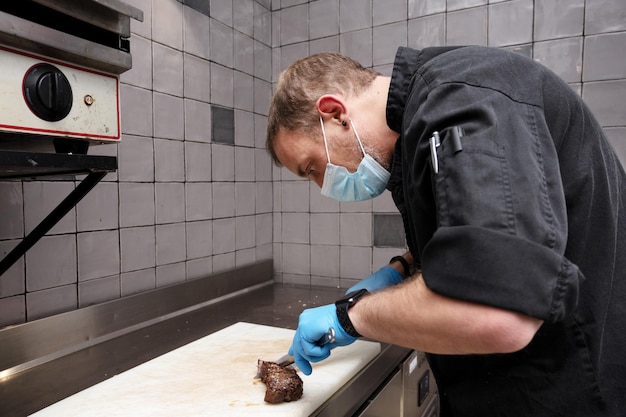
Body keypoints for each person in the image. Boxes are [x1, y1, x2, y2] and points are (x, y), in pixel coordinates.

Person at [265, 45, 625, 416]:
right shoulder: (422, 126)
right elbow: (477, 230)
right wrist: (399, 270)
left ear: (335, 112)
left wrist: (349, 317)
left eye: (311, 167)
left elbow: (497, 311)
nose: (322, 185)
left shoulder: (464, 98)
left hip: (569, 390)